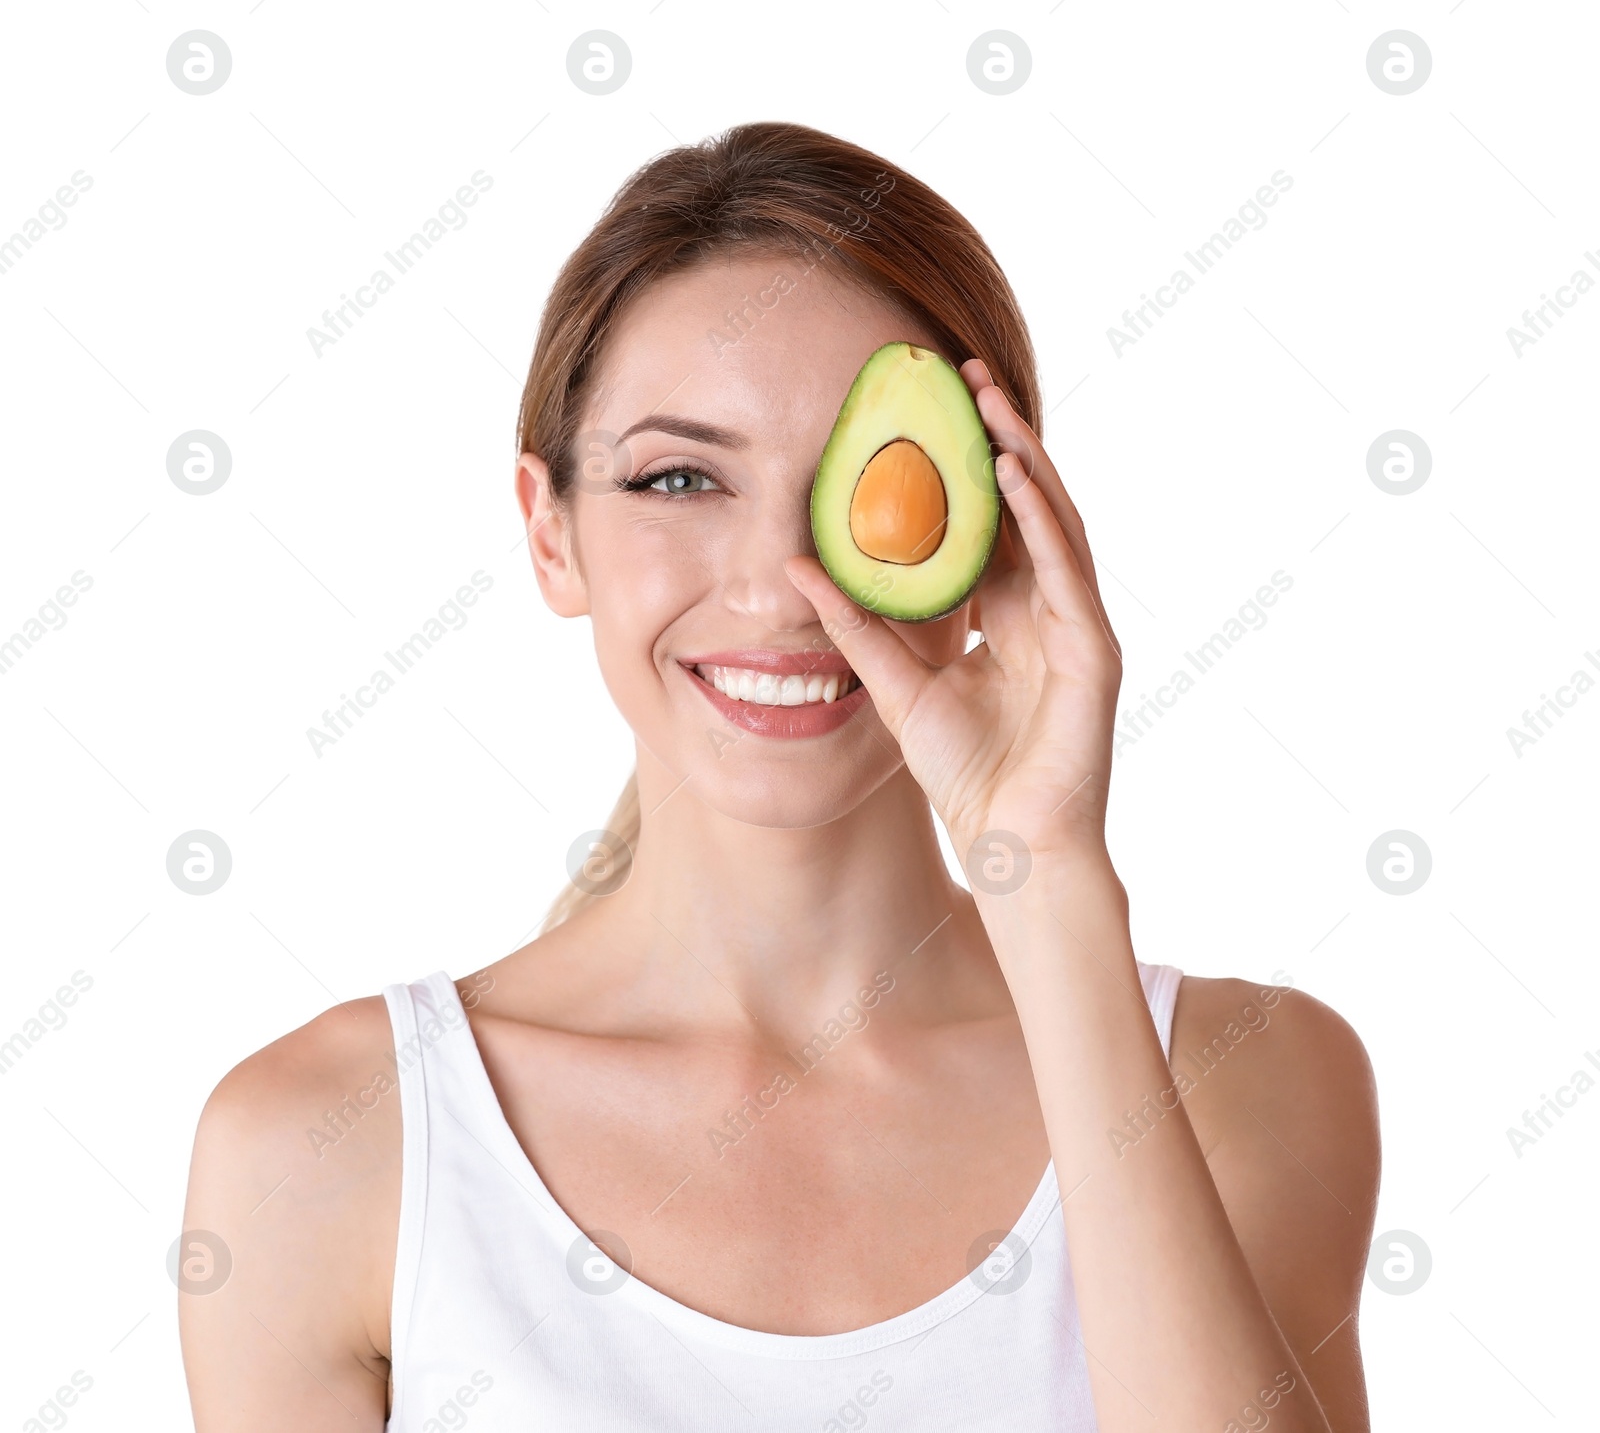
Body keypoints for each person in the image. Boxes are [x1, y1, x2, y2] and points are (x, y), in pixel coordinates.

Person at [178, 121, 1380, 1431]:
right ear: (549, 533)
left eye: (869, 486)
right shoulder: (321, 1149)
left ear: (1001, 528)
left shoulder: (1252, 1080)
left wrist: (1046, 886)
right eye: (679, 477)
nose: (776, 587)